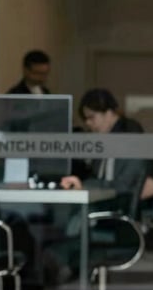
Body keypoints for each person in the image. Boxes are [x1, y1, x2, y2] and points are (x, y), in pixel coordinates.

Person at [60, 88, 147, 216]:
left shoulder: (129, 134)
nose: (88, 123)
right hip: (108, 202)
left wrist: (85, 186)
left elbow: (124, 184)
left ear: (109, 113)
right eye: (85, 119)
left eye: (92, 117)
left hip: (117, 206)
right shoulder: (105, 139)